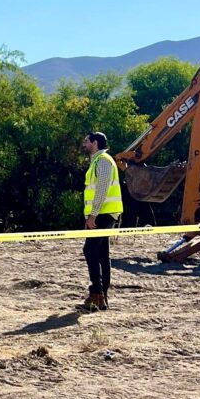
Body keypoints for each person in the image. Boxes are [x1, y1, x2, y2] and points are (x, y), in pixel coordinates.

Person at [81, 132, 123, 311]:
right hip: (103, 214)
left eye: (86, 141)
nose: (84, 144)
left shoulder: (103, 161)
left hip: (104, 214)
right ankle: (101, 296)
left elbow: (102, 189)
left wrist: (93, 215)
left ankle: (97, 293)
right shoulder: (98, 161)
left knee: (90, 250)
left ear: (95, 143)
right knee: (102, 253)